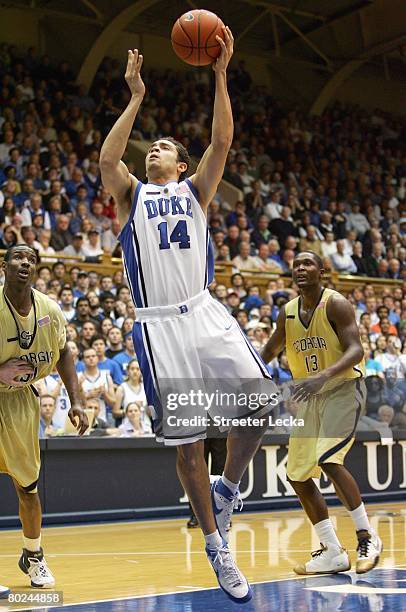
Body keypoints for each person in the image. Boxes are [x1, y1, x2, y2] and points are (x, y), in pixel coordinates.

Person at [99, 33, 277, 603]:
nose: (156, 149)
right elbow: (107, 159)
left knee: (262, 400)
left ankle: (229, 490)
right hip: (158, 326)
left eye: (166, 146)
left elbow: (223, 137)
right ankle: (215, 547)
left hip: (202, 311)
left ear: (181, 164)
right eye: (152, 146)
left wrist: (221, 74)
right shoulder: (131, 195)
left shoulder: (198, 191)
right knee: (189, 445)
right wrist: (135, 98)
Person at [262, 251, 382, 575]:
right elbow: (269, 351)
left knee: (329, 459)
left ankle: (367, 536)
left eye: (308, 264)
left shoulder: (336, 304)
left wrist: (322, 376)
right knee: (298, 475)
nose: (300, 268)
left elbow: (356, 349)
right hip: (310, 400)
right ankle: (332, 551)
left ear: (322, 271)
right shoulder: (286, 314)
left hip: (342, 389)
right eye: (296, 264)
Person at [0, 245, 88, 589]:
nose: (25, 262)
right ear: (5, 265)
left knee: (28, 487)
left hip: (20, 402)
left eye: (32, 259)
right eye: (18, 257)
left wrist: (77, 400)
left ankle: (33, 556)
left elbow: (65, 351)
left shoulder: (50, 310)